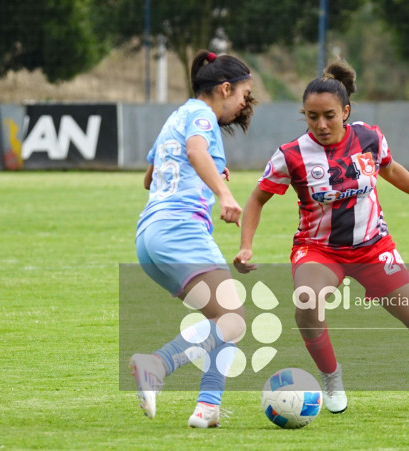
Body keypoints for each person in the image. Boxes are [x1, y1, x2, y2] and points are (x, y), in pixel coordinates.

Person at [233, 60, 409, 414]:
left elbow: (390, 168)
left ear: (345, 111)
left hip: (374, 248)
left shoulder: (369, 137)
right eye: (312, 117)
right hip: (319, 250)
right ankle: (331, 377)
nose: (321, 125)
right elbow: (257, 198)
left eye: (329, 115)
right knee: (307, 303)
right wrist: (245, 245)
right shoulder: (292, 155)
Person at [130, 50, 256, 428]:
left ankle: (207, 408)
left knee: (223, 319)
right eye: (243, 96)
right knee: (232, 317)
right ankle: (157, 364)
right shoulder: (203, 116)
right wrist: (224, 193)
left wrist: (211, 171)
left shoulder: (178, 115)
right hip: (179, 230)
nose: (244, 104)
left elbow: (150, 177)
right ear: (225, 88)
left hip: (149, 237)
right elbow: (195, 151)